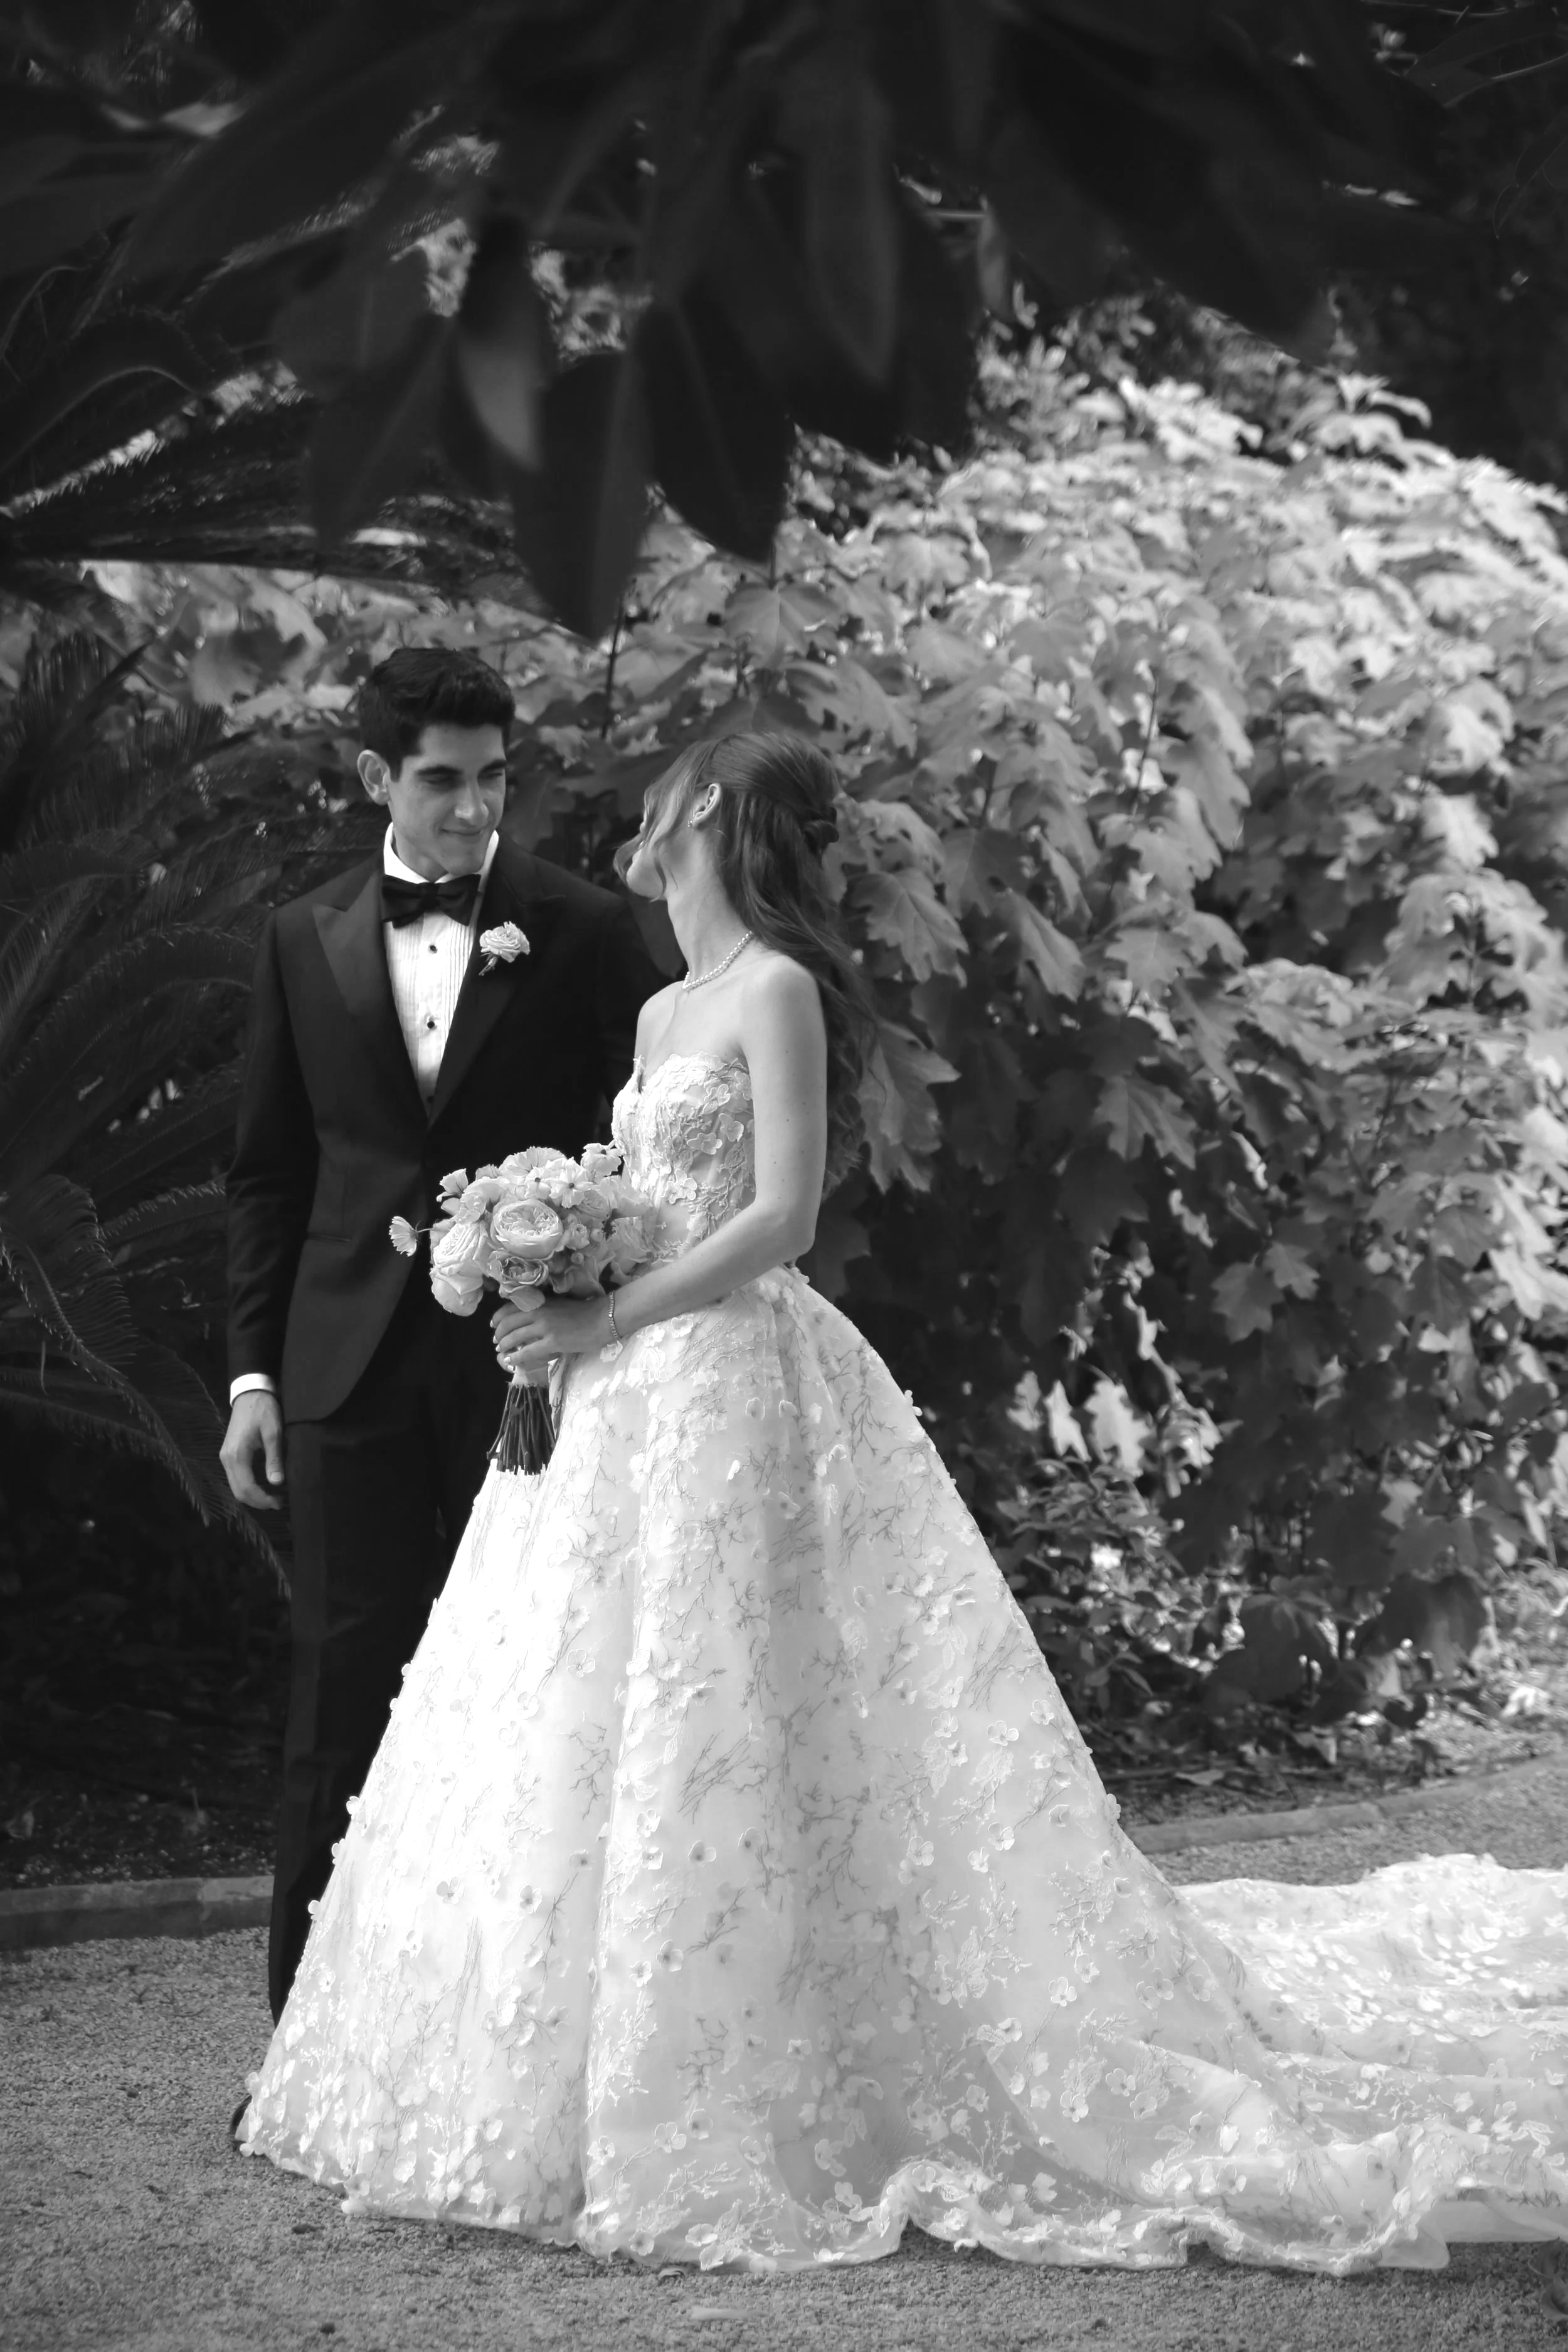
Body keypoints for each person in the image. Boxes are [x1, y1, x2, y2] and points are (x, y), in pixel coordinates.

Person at [239, 731, 1568, 2274]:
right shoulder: (662, 1003)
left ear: (716, 823)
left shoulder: (776, 991)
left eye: (673, 808)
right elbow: (653, 1193)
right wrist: (560, 1266)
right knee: (573, 1702)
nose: (644, 829)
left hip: (730, 1378)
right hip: (620, 1400)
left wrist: (610, 1309)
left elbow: (783, 1214)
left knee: (741, 1698)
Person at [221, 647, 660, 2023]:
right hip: (340, 1364)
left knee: (524, 1681)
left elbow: (635, 1143)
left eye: (492, 778)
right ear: (375, 779)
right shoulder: (302, 937)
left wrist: (584, 1278)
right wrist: (250, 1376)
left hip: (522, 1365)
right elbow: (266, 1175)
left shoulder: (583, 928)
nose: (475, 809)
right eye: (442, 781)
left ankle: (495, 2031)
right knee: (337, 1686)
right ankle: (303, 2036)